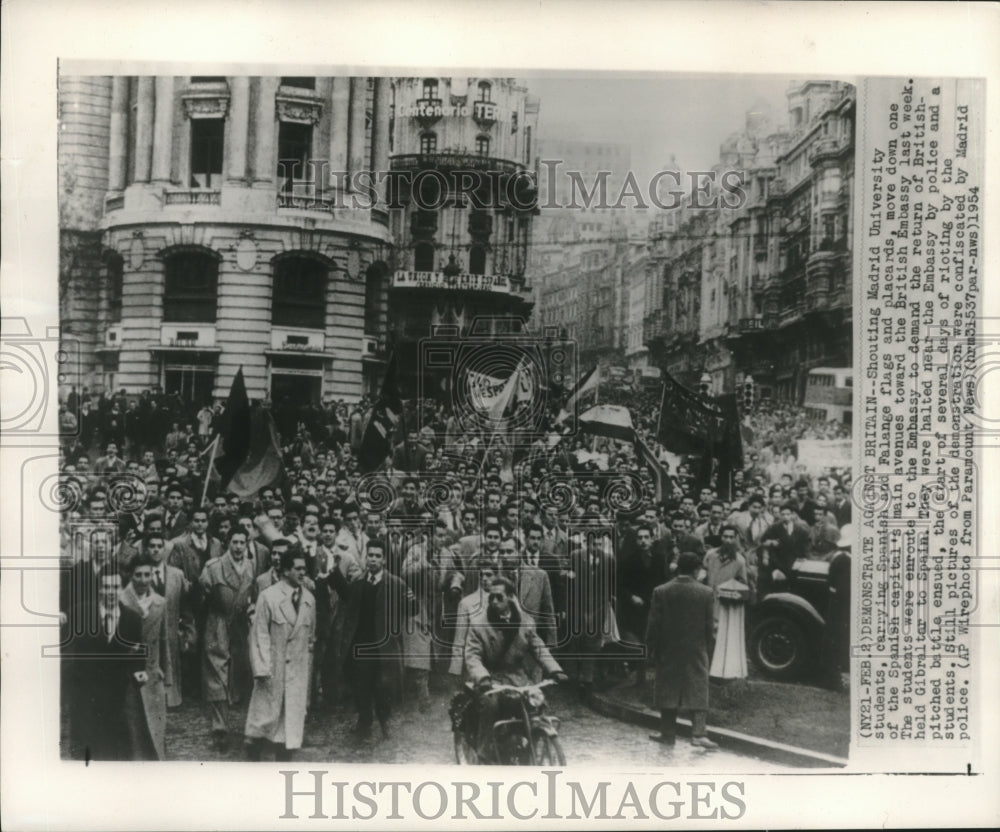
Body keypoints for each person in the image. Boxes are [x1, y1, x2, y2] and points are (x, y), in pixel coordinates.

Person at [463, 576, 567, 761]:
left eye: (499, 597)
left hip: (517, 677)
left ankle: (531, 745)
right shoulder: (479, 625)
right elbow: (472, 657)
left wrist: (555, 670)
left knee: (537, 703)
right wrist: (483, 678)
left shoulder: (525, 622)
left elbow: (538, 647)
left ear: (511, 597)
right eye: (491, 598)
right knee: (491, 706)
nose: (494, 602)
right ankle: (485, 754)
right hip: (491, 679)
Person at [329, 540, 410, 740]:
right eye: (370, 555)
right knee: (361, 686)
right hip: (361, 644)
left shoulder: (396, 584)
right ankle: (364, 721)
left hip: (384, 646)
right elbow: (347, 598)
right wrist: (334, 573)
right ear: (366, 558)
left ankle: (384, 720)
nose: (373, 560)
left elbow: (410, 610)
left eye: (377, 556)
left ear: (384, 560)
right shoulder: (358, 582)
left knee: (383, 687)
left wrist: (410, 601)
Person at [62, 567, 143, 761]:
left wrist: (140, 669)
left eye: (115, 587)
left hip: (116, 692)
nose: (111, 592)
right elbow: (63, 642)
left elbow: (138, 649)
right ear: (99, 589)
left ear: (122, 589)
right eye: (106, 587)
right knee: (87, 749)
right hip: (86, 693)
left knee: (115, 745)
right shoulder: (79, 613)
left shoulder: (132, 619)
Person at [245, 549, 316, 762]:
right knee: (266, 715)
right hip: (273, 666)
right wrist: (262, 667)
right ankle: (253, 750)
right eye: (298, 568)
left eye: (305, 568)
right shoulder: (269, 596)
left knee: (291, 715)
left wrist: (307, 671)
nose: (302, 573)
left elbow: (310, 638)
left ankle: (284, 756)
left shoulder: (309, 600)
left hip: (297, 668)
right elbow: (259, 634)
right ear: (286, 570)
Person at [645, 551, 719, 749]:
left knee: (668, 689)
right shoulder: (706, 593)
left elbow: (654, 625)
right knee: (698, 688)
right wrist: (707, 648)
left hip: (668, 648)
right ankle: (699, 734)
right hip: (696, 648)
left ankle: (667, 733)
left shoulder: (661, 591)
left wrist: (652, 649)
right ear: (696, 570)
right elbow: (709, 626)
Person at [199, 527, 256, 751]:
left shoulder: (251, 566)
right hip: (218, 623)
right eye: (234, 542)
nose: (238, 547)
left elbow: (251, 595)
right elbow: (202, 596)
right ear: (227, 543)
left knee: (242, 673)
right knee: (217, 673)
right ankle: (219, 727)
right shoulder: (213, 567)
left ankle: (248, 727)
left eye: (242, 542)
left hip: (241, 625)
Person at [120, 552, 170, 759]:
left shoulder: (160, 602)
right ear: (131, 575)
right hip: (126, 674)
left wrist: (166, 674)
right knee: (132, 728)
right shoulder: (121, 600)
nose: (143, 580)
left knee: (156, 727)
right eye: (138, 575)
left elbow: (164, 640)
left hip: (152, 672)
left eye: (147, 575)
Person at [146, 533, 195, 708]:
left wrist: (189, 631)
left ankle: (171, 698)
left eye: (159, 546)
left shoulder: (177, 575)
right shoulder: (140, 575)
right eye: (152, 546)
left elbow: (185, 607)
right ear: (146, 549)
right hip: (148, 631)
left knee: (170, 663)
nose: (156, 550)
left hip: (171, 629)